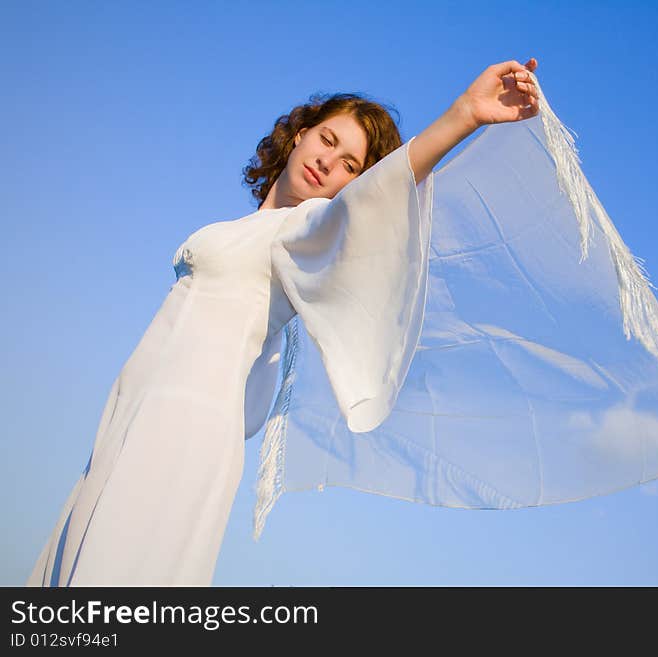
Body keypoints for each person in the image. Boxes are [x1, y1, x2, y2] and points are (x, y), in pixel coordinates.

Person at [27, 58, 541, 587]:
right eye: (326, 139)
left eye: (349, 165)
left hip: (185, 425)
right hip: (133, 412)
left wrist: (464, 114)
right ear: (299, 135)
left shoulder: (304, 230)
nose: (328, 161)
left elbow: (383, 192)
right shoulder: (249, 227)